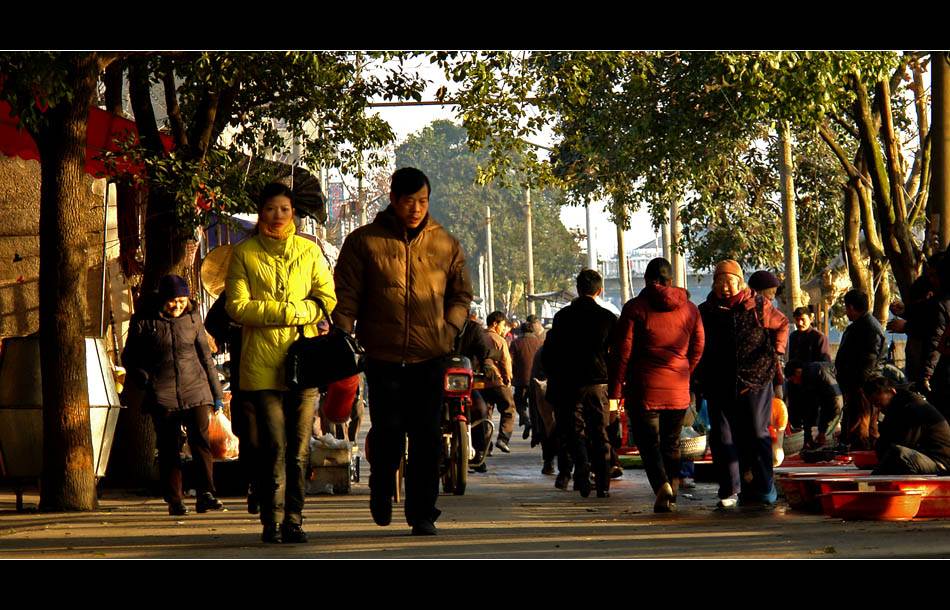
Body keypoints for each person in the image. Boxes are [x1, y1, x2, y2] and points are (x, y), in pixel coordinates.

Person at [332, 167, 473, 536]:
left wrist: (451, 327)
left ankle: (423, 512)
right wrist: (343, 333)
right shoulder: (364, 241)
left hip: (431, 355)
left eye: (423, 201)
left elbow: (461, 294)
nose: (416, 209)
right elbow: (346, 294)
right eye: (409, 201)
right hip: (383, 357)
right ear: (393, 200)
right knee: (389, 433)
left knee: (427, 437)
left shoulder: (445, 243)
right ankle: (381, 485)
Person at [226, 181, 336, 544]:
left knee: (300, 448)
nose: (277, 216)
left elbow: (327, 298)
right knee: (273, 447)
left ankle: (294, 519)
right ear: (261, 212)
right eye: (271, 209)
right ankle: (271, 522)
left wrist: (299, 312)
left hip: (304, 364)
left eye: (284, 210)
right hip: (262, 366)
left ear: (293, 213)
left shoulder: (310, 252)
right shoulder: (244, 253)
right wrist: (290, 313)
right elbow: (236, 306)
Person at [122, 274, 225, 516]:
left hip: (196, 389)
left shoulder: (193, 319)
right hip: (162, 392)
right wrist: (144, 378)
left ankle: (206, 494)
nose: (177, 305)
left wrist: (216, 394)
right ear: (162, 299)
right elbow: (129, 357)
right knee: (169, 448)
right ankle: (175, 499)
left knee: (200, 442)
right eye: (173, 301)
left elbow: (206, 359)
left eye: (182, 300)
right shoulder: (145, 322)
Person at [608, 258, 704, 512]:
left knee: (648, 443)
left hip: (643, 388)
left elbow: (621, 354)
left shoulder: (634, 308)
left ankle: (662, 485)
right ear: (671, 281)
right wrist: (683, 371)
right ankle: (671, 492)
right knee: (671, 444)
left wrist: (615, 392)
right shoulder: (691, 309)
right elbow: (698, 348)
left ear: (647, 280)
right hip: (677, 389)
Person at [696, 260, 789, 508]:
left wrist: (775, 351)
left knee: (757, 433)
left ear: (740, 282)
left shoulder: (758, 305)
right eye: (720, 282)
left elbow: (782, 324)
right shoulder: (706, 310)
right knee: (722, 436)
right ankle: (729, 490)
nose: (725, 287)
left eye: (730, 282)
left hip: (756, 379)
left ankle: (764, 486)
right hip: (718, 382)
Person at [542, 269, 617, 498]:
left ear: (578, 289)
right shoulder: (608, 318)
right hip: (599, 385)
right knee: (600, 432)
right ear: (599, 290)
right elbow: (616, 356)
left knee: (575, 432)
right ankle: (603, 484)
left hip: (569, 385)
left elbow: (551, 352)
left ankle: (582, 469)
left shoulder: (562, 318)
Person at [205, 291, 260, 514]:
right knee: (248, 437)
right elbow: (213, 323)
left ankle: (274, 491)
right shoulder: (237, 290)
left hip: (279, 380)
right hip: (245, 378)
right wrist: (241, 332)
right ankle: (256, 486)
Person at [864, 375, 950, 475]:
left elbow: (904, 443)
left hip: (940, 462)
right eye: (875, 405)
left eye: (879, 403)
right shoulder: (895, 408)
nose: (878, 408)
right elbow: (884, 442)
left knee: (899, 454)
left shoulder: (913, 407)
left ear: (892, 392)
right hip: (924, 457)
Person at [835, 289, 887, 450]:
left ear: (851, 308)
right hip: (858, 385)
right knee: (866, 427)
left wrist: (858, 384)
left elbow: (869, 360)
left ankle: (864, 458)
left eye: (846, 308)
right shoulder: (861, 325)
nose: (846, 312)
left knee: (860, 427)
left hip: (863, 385)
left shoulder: (869, 327)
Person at [784, 360, 843, 448]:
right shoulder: (806, 381)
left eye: (793, 379)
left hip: (839, 406)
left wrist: (824, 430)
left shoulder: (820, 373)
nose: (795, 383)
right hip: (830, 409)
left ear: (798, 372)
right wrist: (808, 438)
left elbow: (835, 401)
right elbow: (810, 409)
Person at [482, 311, 518, 453]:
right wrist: (507, 379)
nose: (504, 329)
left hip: (479, 383)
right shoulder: (499, 340)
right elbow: (505, 362)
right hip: (497, 382)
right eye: (502, 325)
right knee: (509, 408)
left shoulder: (478, 337)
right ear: (495, 324)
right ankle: (502, 439)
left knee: (484, 414)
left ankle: (485, 446)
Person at [510, 316, 543, 440]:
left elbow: (510, 361)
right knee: (535, 408)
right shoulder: (539, 343)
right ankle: (536, 433)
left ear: (521, 331)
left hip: (521, 380)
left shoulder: (515, 343)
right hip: (536, 380)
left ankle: (525, 420)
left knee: (519, 403)